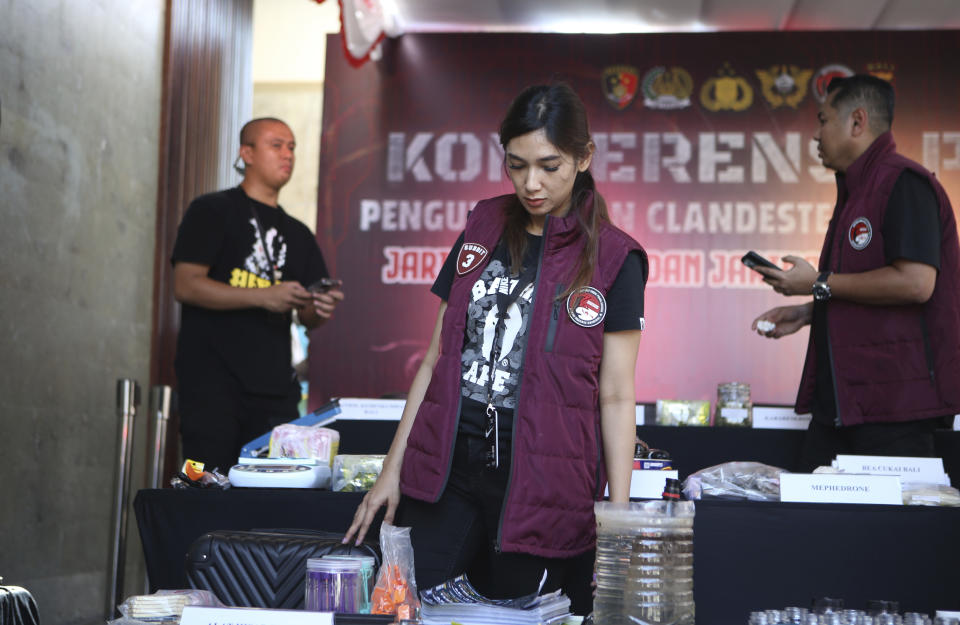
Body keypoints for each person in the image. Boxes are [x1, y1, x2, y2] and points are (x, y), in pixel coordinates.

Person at [344, 83, 648, 614]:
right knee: (410, 609)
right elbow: (437, 357)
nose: (531, 183)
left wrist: (617, 520)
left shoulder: (616, 259)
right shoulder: (481, 227)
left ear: (583, 157)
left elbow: (618, 396)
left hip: (544, 484)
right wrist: (392, 469)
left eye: (550, 166)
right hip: (446, 470)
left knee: (522, 615)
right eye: (516, 165)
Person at [751, 75, 960, 470]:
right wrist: (810, 312)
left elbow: (916, 284)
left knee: (888, 533)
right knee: (812, 528)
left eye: (823, 120)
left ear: (858, 122)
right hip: (843, 406)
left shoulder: (904, 183)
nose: (816, 135)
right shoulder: (857, 190)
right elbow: (868, 292)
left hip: (896, 410)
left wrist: (817, 283)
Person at [171, 117, 344, 471]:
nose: (287, 154)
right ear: (246, 153)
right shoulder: (211, 210)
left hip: (275, 393)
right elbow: (185, 285)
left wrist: (320, 307)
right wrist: (264, 296)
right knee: (200, 484)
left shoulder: (298, 234)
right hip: (210, 388)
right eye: (276, 145)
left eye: (292, 146)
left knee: (267, 496)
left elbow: (308, 317)